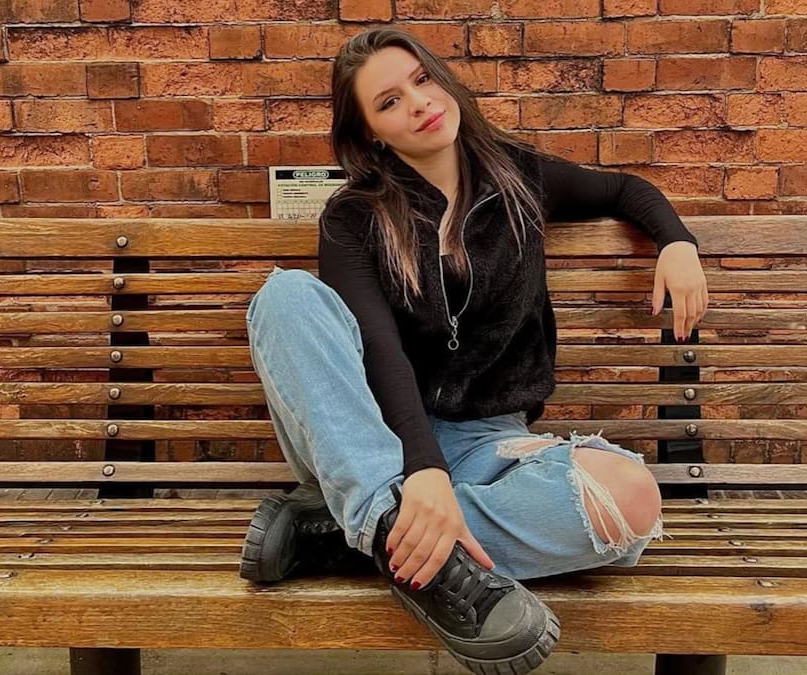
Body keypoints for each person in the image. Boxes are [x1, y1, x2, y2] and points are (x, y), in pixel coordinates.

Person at [239, 27, 708, 675]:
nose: (419, 103)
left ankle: (356, 535)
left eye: (422, 80)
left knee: (630, 497)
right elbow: (379, 350)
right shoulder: (354, 217)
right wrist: (423, 469)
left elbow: (625, 190)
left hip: (487, 442)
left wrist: (677, 242)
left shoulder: (518, 178)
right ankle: (393, 522)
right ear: (372, 133)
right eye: (390, 101)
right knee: (286, 296)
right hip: (370, 439)